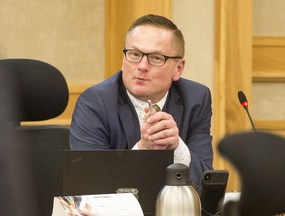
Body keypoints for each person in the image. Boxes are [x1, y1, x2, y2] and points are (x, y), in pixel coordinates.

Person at [70, 14, 213, 192]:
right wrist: (143, 149)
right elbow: (91, 183)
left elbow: (206, 182)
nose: (142, 66)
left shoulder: (196, 99)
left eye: (155, 58)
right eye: (135, 54)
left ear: (178, 69)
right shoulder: (95, 103)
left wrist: (176, 147)